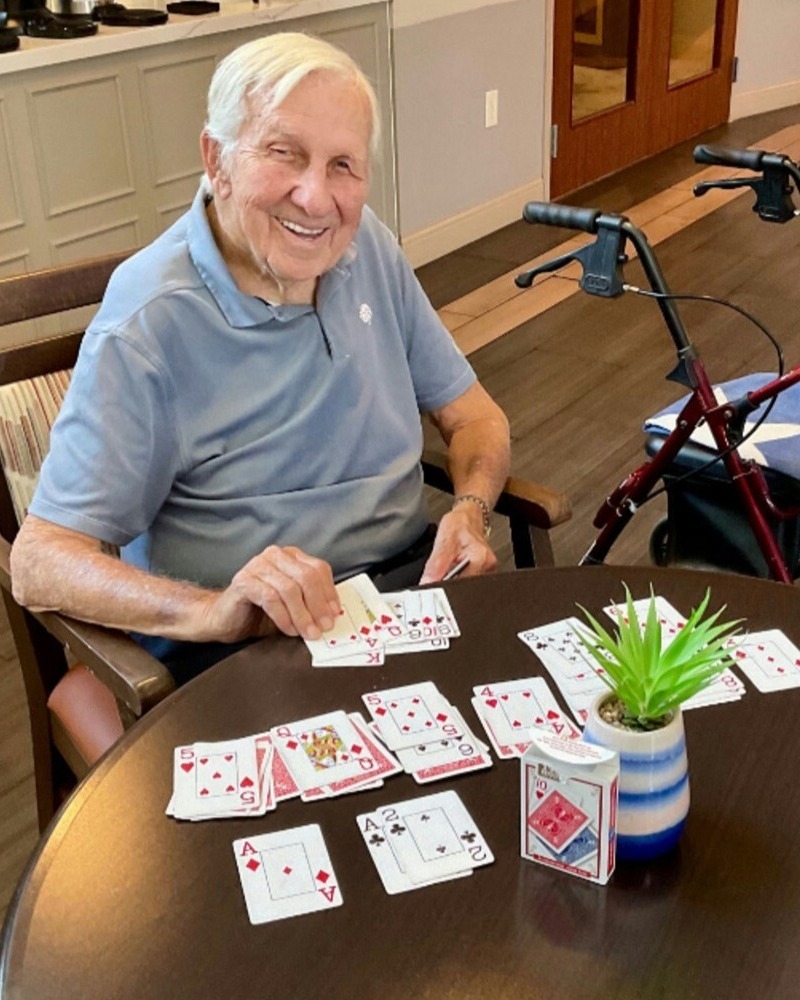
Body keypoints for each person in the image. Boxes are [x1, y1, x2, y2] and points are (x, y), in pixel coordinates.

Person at [10, 31, 511, 680]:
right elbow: (40, 561)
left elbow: (477, 418)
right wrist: (216, 611)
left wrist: (470, 512)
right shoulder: (148, 321)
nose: (315, 198)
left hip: (408, 597)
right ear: (215, 159)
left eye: (343, 165)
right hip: (236, 644)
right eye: (283, 153)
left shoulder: (370, 251)